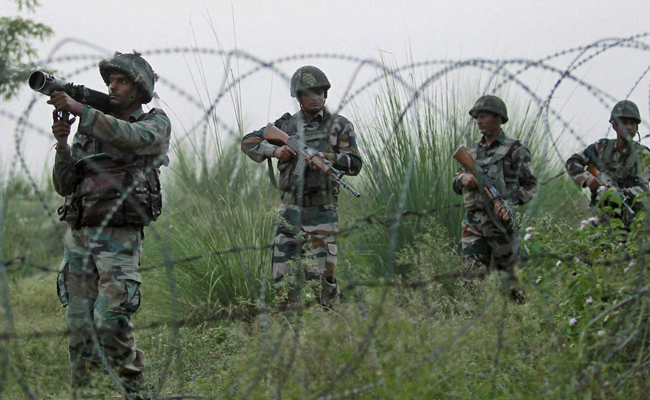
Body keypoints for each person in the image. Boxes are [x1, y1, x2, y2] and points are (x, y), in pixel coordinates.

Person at [49, 51, 170, 398]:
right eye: (109, 82)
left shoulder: (154, 123)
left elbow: (130, 138)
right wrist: (61, 143)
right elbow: (64, 185)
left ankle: (135, 388)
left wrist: (82, 110)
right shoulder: (91, 130)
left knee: (111, 321)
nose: (112, 87)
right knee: (79, 328)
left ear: (138, 89)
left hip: (118, 237)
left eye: (121, 82)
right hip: (80, 236)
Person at [241, 65, 362, 307]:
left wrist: (327, 158)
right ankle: (288, 335)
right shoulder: (285, 126)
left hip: (322, 212)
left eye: (320, 91)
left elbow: (355, 164)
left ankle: (339, 325)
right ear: (298, 96)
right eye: (310, 92)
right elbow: (248, 142)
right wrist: (276, 150)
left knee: (322, 283)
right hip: (290, 212)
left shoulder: (339, 125)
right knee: (283, 282)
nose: (317, 96)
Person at [452, 95, 537, 301]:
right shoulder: (471, 151)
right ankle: (475, 323)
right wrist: (464, 178)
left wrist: (510, 202)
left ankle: (519, 324)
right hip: (473, 223)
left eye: (484, 116)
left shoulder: (515, 149)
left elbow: (531, 186)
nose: (479, 121)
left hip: (502, 224)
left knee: (512, 283)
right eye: (477, 117)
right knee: (471, 281)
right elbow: (455, 183)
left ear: (498, 119)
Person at [565, 100, 649, 225]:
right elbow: (572, 162)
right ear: (614, 125)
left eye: (633, 123)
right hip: (601, 217)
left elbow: (645, 189)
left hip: (633, 219)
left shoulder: (643, 155)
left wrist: (624, 194)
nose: (629, 127)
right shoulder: (601, 148)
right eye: (624, 123)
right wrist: (588, 179)